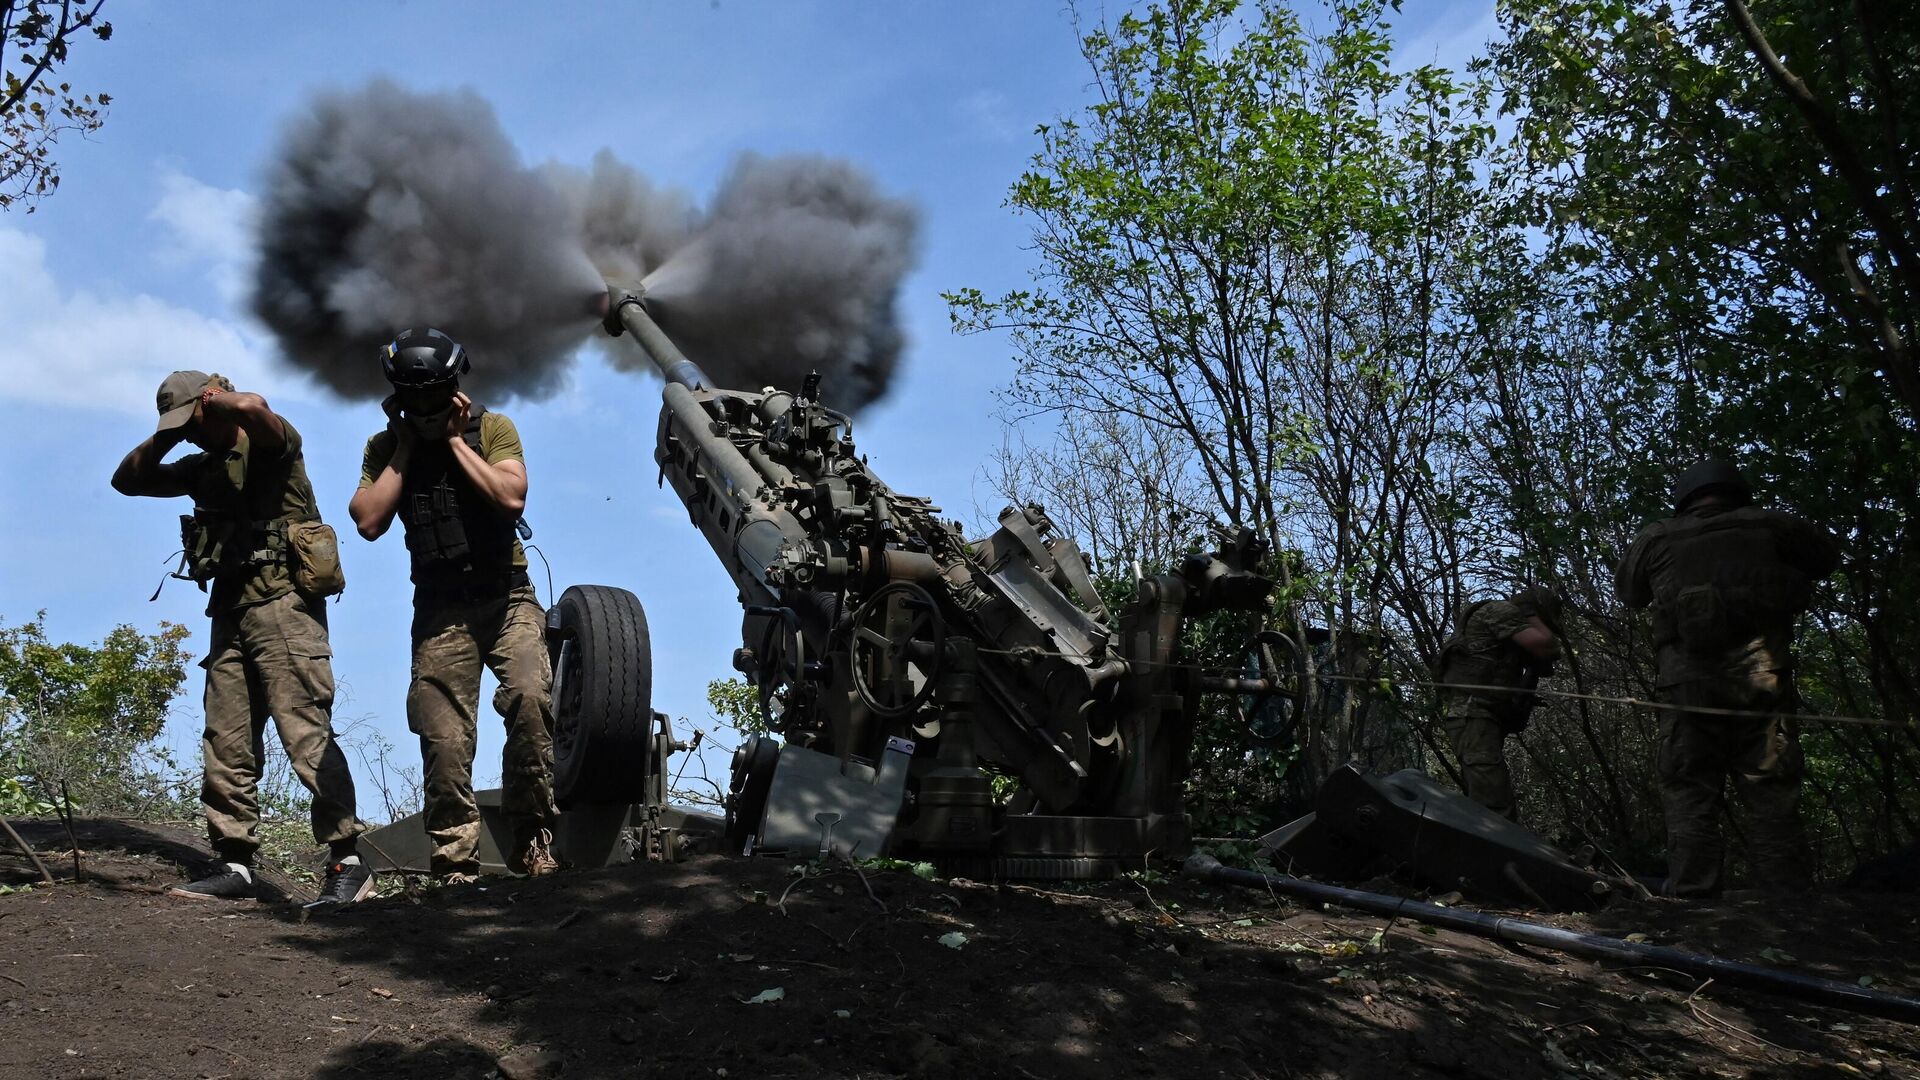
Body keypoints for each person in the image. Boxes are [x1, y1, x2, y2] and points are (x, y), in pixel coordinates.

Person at [112, 371, 371, 904]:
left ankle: (348, 861)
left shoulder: (272, 446)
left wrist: (219, 401)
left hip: (285, 607)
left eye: (192, 421)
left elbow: (254, 407)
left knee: (305, 733)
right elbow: (128, 480)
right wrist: (169, 432)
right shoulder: (200, 468)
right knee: (225, 740)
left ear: (214, 404)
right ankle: (236, 864)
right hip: (230, 610)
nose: (188, 434)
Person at [347, 328, 558, 882]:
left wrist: (456, 442)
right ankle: (454, 865)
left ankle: (533, 840)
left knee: (532, 704)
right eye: (412, 396)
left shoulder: (491, 429)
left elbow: (511, 496)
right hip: (441, 610)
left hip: (508, 598)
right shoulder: (384, 448)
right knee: (443, 738)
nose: (423, 405)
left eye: (433, 394)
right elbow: (368, 520)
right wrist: (411, 445)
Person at [1616, 458, 1840, 897]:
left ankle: (1694, 897)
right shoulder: (1773, 526)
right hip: (1762, 677)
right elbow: (1825, 560)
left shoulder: (1657, 536)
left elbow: (1630, 593)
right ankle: (1786, 898)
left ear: (1686, 497)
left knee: (1689, 788)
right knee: (1771, 787)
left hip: (1686, 684)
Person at [1434, 587, 1564, 821]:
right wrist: (1531, 615)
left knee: (1491, 803)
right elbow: (1547, 646)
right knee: (1494, 810)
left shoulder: (1509, 629)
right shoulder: (1500, 611)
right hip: (1472, 715)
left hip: (1480, 717)